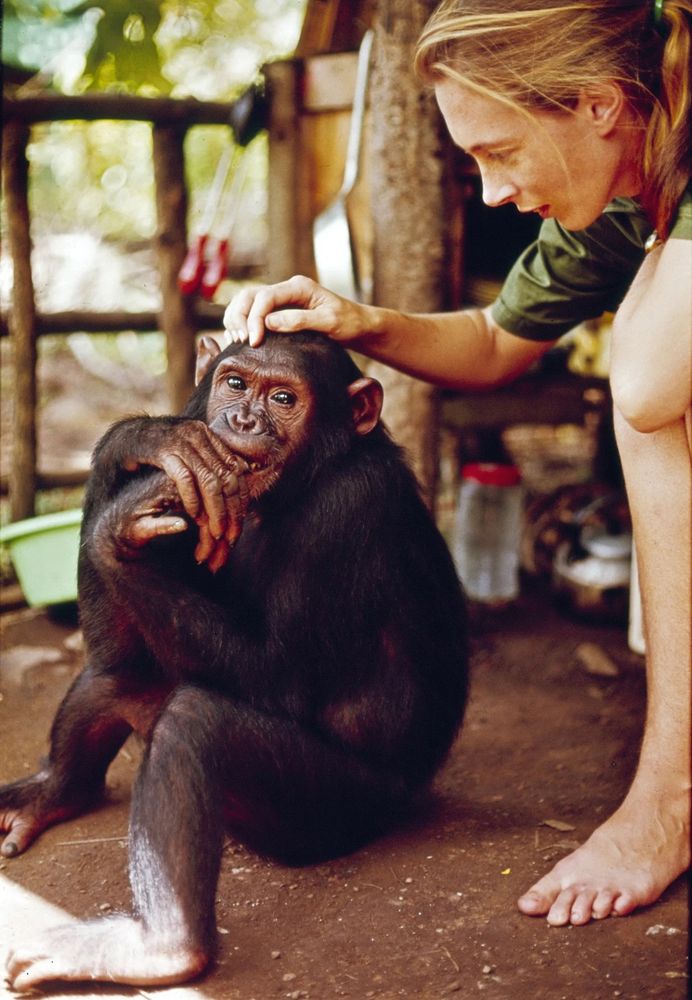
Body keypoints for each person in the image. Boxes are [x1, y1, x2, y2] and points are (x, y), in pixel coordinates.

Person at [223, 0, 691, 928]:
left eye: (499, 152)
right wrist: (357, 320)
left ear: (598, 104)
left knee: (652, 393)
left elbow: (642, 379)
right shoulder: (623, 178)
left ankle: (670, 800)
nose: (489, 192)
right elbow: (492, 342)